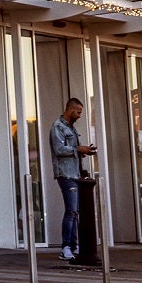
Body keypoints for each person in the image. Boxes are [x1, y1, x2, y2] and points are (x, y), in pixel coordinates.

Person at [50, 99, 96, 264]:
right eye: (78, 112)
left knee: (75, 211)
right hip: (66, 174)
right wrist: (78, 149)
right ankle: (66, 247)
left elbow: (71, 150)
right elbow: (59, 149)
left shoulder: (71, 128)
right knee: (71, 211)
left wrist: (83, 151)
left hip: (74, 173)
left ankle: (74, 245)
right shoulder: (58, 127)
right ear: (70, 110)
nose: (80, 115)